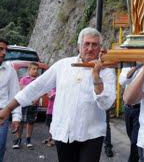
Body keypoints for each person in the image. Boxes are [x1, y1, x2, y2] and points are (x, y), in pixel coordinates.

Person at [0, 27, 116, 162]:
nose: (90, 48)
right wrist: (8, 108)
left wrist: (96, 76)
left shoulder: (106, 71)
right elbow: (36, 87)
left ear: (100, 47)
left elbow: (106, 103)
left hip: (92, 134)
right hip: (64, 132)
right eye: (86, 44)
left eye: (94, 44)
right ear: (79, 46)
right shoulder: (63, 65)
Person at [0, 39, 21, 162]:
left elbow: (15, 95)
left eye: (5, 50)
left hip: (2, 116)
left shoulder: (10, 71)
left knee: (0, 147)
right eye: (0, 49)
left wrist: (16, 117)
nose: (4, 53)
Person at [13, 62, 40, 149]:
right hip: (24, 103)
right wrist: (26, 87)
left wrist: (37, 99)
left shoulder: (38, 80)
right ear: (29, 70)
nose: (35, 71)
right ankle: (18, 139)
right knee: (20, 122)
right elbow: (20, 89)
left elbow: (40, 91)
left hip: (33, 104)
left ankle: (28, 139)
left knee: (30, 122)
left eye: (37, 69)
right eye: (34, 69)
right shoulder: (24, 79)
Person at [119, 65, 140, 162]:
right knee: (131, 136)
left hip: (140, 108)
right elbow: (122, 82)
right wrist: (135, 69)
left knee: (135, 140)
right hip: (128, 108)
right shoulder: (126, 68)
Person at [99, 47, 114, 158]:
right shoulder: (91, 64)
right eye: (100, 52)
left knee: (106, 124)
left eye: (103, 52)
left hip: (104, 98)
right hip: (93, 98)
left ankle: (107, 146)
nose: (101, 54)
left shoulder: (109, 67)